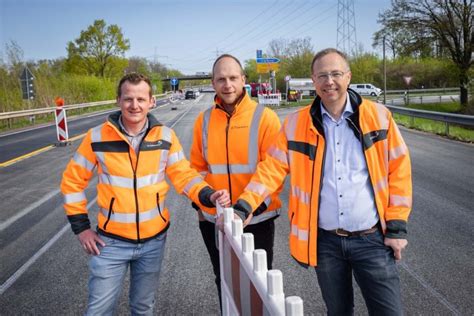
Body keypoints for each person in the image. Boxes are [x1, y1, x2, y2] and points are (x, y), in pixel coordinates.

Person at [233, 48, 412, 315]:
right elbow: (272, 168)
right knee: (338, 312)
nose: (329, 81)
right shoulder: (295, 124)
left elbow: (399, 172)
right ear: (313, 80)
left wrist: (396, 228)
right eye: (322, 75)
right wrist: (245, 205)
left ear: (348, 77)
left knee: (389, 312)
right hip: (326, 243)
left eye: (336, 74)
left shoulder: (379, 117)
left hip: (372, 239)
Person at [60, 73, 230, 315]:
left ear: (151, 101)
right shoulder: (96, 138)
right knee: (99, 310)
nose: (134, 105)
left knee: (143, 307)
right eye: (128, 99)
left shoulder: (165, 137)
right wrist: (81, 228)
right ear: (118, 100)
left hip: (153, 242)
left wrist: (207, 195)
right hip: (110, 243)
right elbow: (71, 182)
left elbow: (184, 175)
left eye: (141, 99)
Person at [189, 54, 282, 303]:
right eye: (221, 79)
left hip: (257, 218)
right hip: (214, 220)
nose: (227, 84)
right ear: (212, 83)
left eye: (232, 78)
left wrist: (249, 207)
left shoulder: (265, 118)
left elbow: (274, 169)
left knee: (259, 285)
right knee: (224, 280)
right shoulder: (204, 120)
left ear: (243, 80)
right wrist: (201, 206)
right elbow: (196, 169)